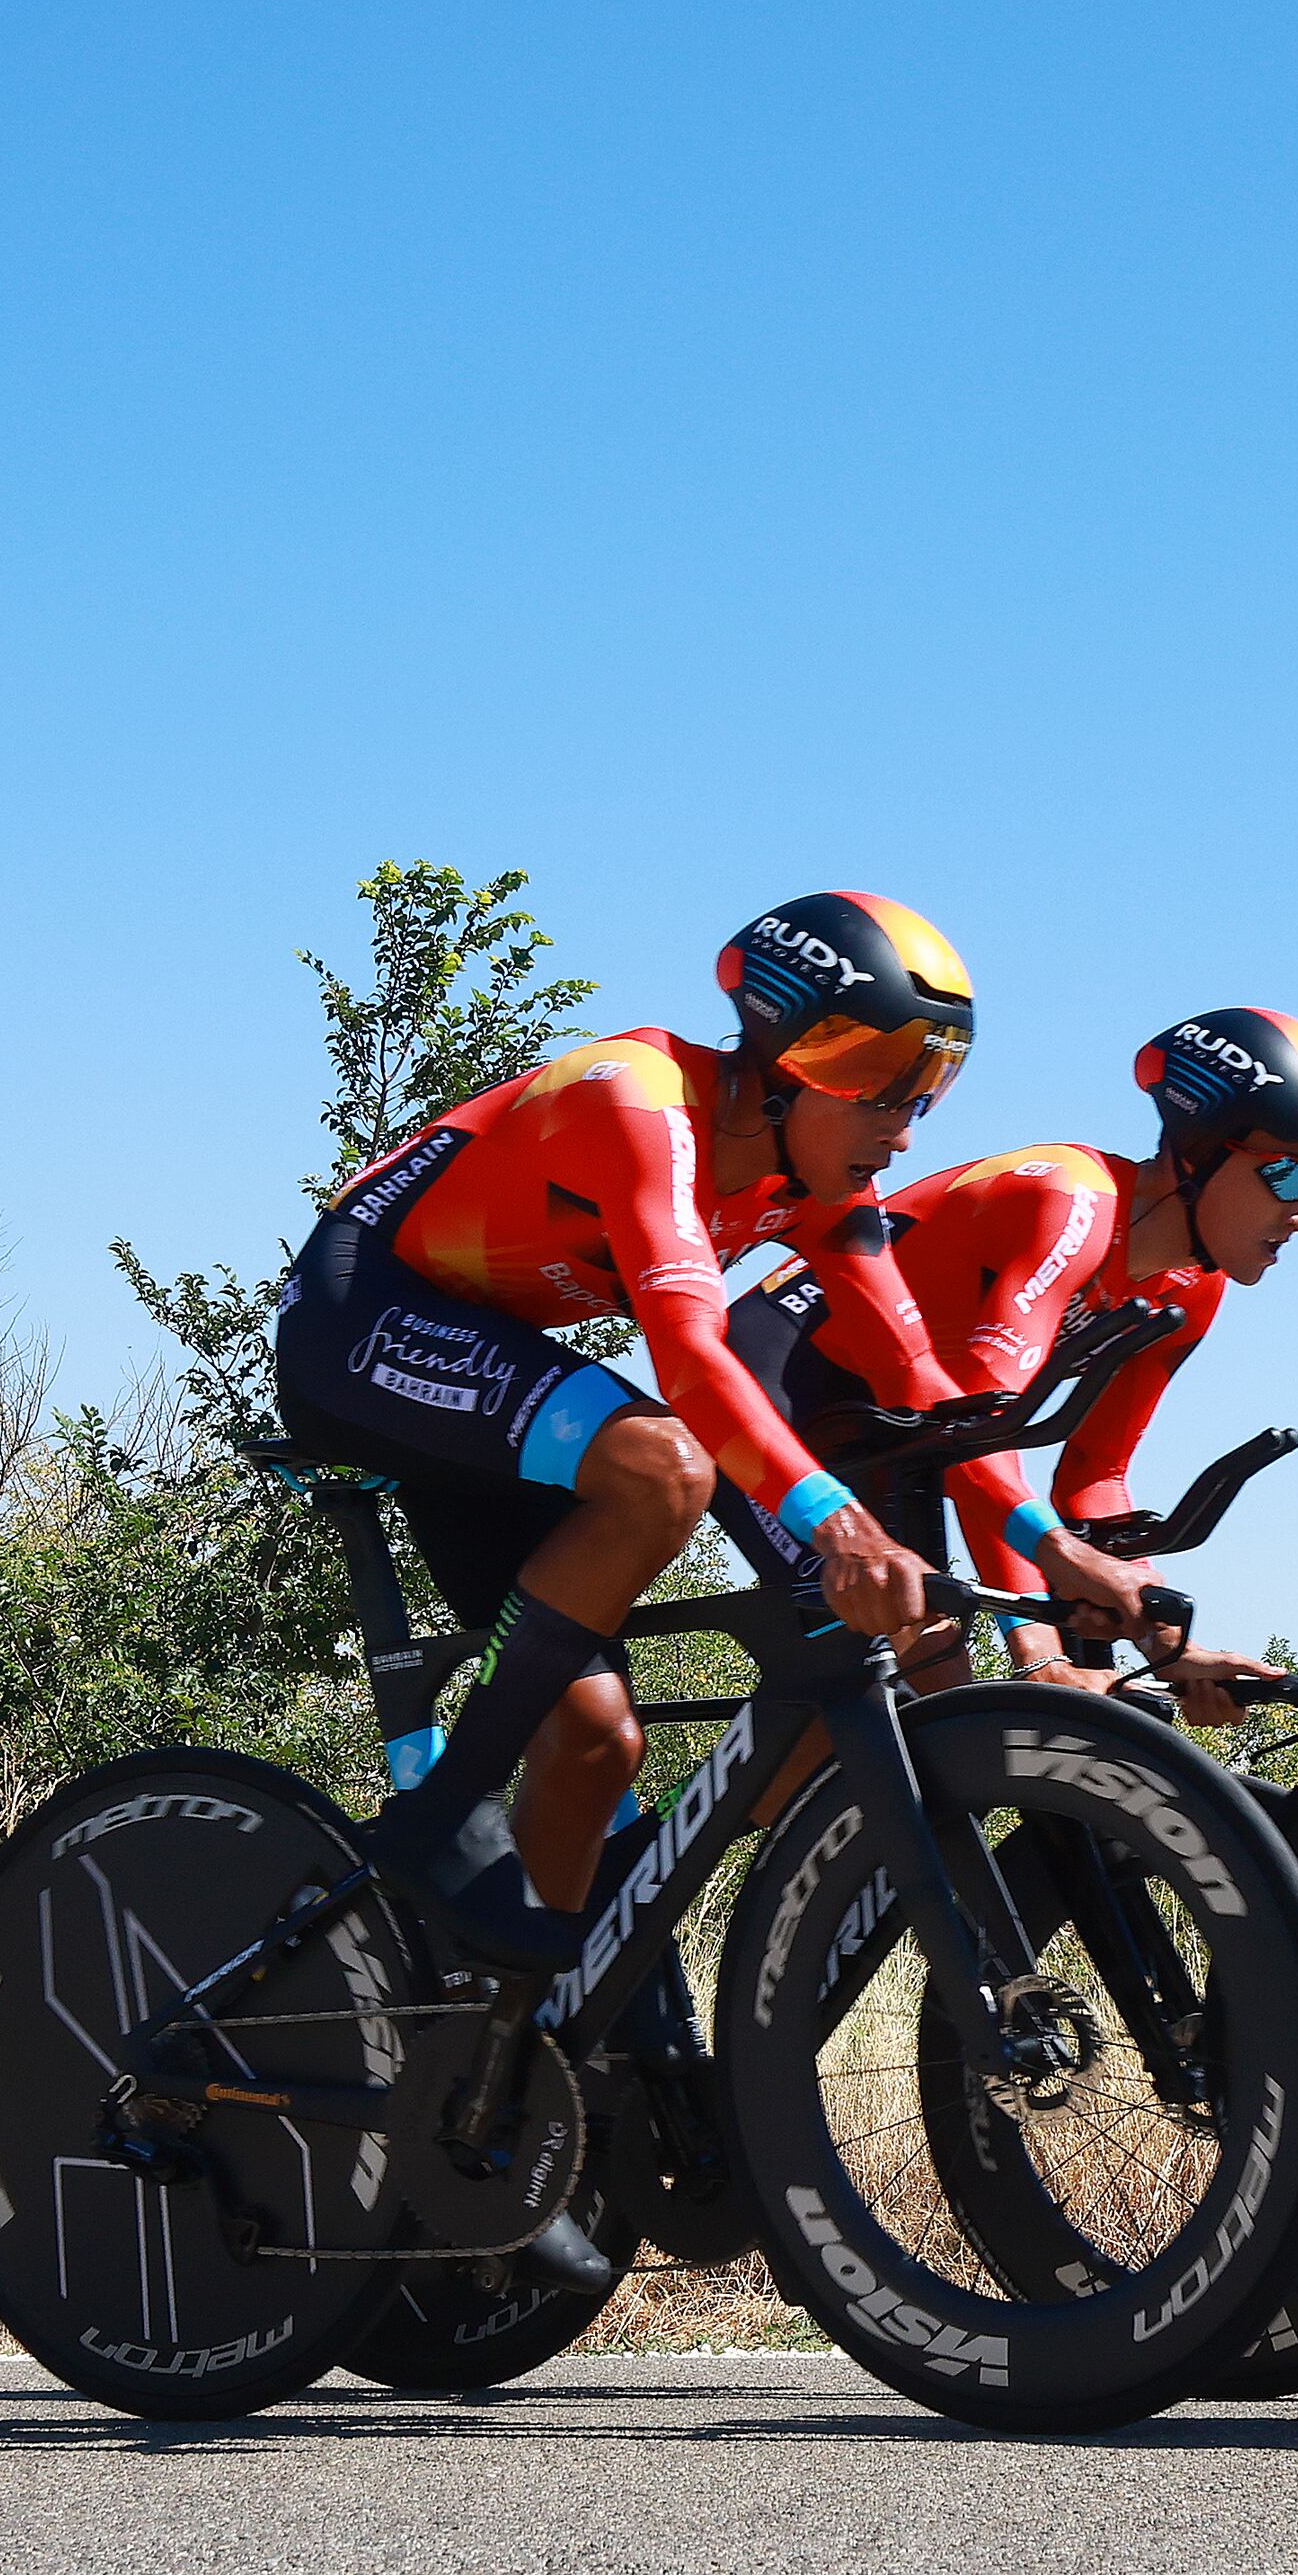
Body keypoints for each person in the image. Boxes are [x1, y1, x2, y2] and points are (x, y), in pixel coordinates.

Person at [271, 895, 985, 2097]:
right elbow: (690, 1359)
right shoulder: (637, 1101)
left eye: (927, 1090)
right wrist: (832, 1526)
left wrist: (1049, 1561)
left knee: (598, 1746)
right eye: (873, 1077)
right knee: (663, 1463)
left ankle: (522, 2060)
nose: (901, 1127)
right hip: (361, 1320)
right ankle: (442, 1813)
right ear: (780, 1053)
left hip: (488, 1371)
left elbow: (929, 1395)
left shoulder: (826, 1180)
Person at [721, 1007, 1298, 1718]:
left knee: (932, 1704)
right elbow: (981, 1436)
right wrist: (1038, 1651)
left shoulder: (1194, 1286)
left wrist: (1166, 1640)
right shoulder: (1066, 1202)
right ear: (1201, 1151)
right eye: (1288, 1176)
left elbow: (1095, 1479)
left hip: (913, 1424)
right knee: (914, 1656)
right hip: (782, 1378)